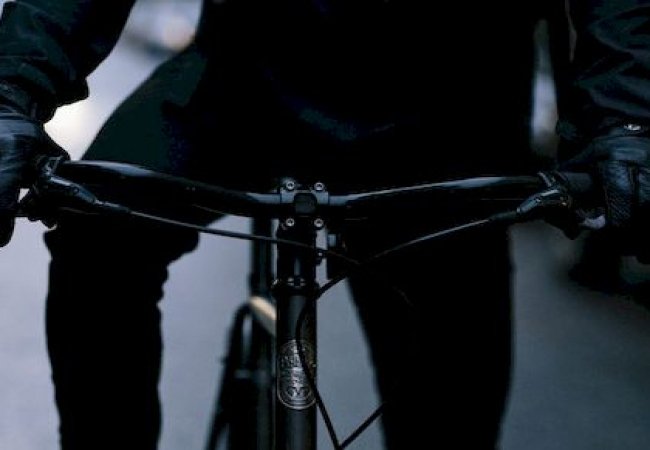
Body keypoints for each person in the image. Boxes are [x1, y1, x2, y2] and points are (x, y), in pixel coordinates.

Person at [1, 1, 650, 449]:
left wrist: (623, 122)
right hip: (242, 81)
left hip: (448, 117)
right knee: (97, 231)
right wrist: (11, 94)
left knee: (448, 393)